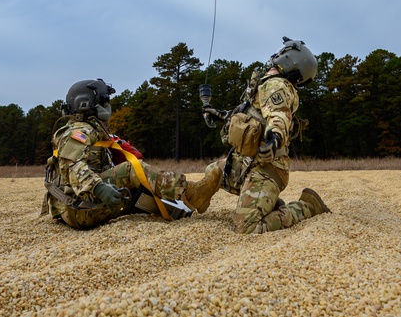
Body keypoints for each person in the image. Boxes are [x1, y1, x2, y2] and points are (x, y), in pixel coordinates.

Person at [42, 78, 223, 229]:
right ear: (87, 103)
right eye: (105, 100)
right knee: (131, 170)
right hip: (79, 208)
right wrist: (98, 188)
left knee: (138, 189)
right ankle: (194, 194)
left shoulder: (88, 129)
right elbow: (71, 165)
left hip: (76, 207)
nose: (108, 105)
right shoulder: (80, 130)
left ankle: (179, 208)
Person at [205, 37, 331, 234]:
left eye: (281, 53)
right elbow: (250, 117)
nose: (275, 56)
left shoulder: (276, 86)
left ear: (290, 59)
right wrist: (220, 114)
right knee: (212, 172)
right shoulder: (264, 84)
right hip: (249, 161)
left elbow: (278, 116)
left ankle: (307, 207)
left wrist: (274, 138)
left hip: (266, 166)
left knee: (247, 226)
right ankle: (269, 203)